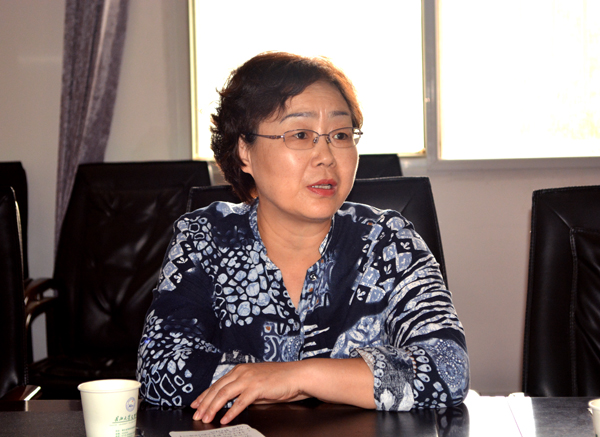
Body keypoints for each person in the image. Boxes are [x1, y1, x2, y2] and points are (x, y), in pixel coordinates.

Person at [136, 51, 469, 424]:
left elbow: (448, 367)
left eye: (340, 135)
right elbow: (160, 368)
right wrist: (344, 380)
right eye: (300, 135)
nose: (326, 156)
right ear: (244, 151)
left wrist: (296, 378)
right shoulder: (204, 237)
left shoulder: (389, 241)